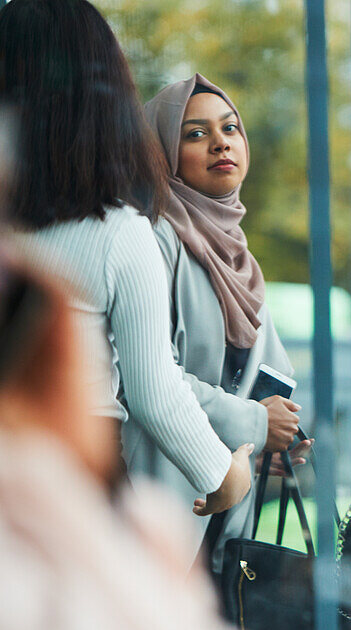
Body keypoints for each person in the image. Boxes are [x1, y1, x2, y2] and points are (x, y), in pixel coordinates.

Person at [0, 254, 351, 630]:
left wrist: (262, 445)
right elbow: (155, 383)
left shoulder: (240, 257)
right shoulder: (144, 239)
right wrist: (246, 433)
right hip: (176, 490)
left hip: (218, 495)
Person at [0, 0, 252, 522]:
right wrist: (223, 474)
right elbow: (153, 388)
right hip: (69, 477)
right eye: (196, 132)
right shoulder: (121, 231)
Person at [135, 73, 309, 568]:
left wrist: (278, 441)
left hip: (223, 510)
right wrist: (256, 421)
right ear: (161, 153)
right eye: (194, 134)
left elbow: (261, 377)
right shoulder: (155, 241)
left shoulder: (240, 258)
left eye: (230, 128)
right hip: (163, 502)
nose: (220, 143)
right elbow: (148, 376)